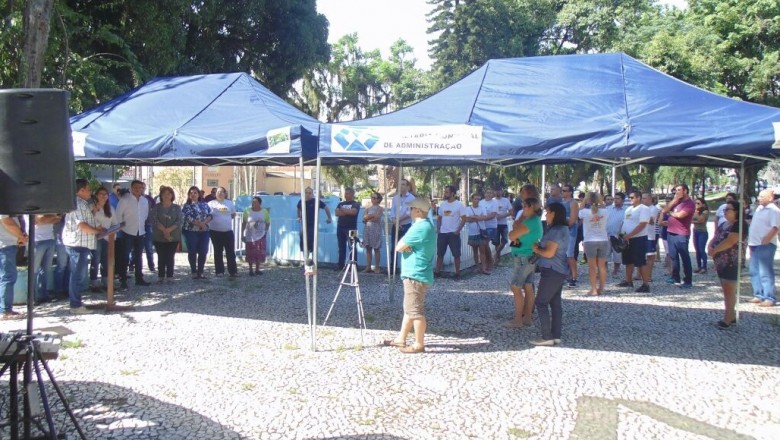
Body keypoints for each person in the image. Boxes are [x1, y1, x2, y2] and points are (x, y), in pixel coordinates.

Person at [382, 197, 436, 354]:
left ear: (418, 211)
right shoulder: (425, 226)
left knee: (415, 311)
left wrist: (406, 247)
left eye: (412, 208)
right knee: (409, 309)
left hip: (415, 273)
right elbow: (404, 246)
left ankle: (419, 344)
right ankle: (401, 338)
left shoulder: (419, 227)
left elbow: (399, 246)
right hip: (418, 272)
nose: (409, 211)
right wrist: (408, 247)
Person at [529, 202, 570, 346]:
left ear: (554, 213)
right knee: (555, 303)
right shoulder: (560, 228)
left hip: (552, 270)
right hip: (558, 270)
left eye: (548, 212)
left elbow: (549, 253)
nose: (546, 215)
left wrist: (537, 249)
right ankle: (556, 335)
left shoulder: (557, 230)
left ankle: (547, 336)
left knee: (541, 302)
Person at [63, 179, 104, 314]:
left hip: (80, 243)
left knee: (77, 275)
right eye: (88, 189)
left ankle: (76, 302)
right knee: (77, 275)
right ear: (81, 190)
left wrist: (97, 227)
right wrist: (97, 231)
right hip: (77, 244)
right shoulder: (78, 204)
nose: (91, 191)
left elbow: (87, 219)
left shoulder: (82, 203)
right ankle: (75, 306)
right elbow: (82, 225)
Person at [707, 200, 747, 328]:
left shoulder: (740, 225)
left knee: (729, 290)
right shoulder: (724, 223)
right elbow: (716, 236)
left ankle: (728, 318)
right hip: (721, 262)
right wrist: (710, 246)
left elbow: (730, 241)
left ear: (736, 211)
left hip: (731, 262)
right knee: (725, 289)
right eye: (725, 209)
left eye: (728, 209)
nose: (725, 211)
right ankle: (731, 314)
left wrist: (715, 250)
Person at [505, 197, 543, 328]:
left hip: (523, 257)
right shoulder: (534, 220)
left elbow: (512, 235)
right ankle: (527, 317)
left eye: (525, 206)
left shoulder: (530, 222)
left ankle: (518, 320)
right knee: (528, 286)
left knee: (516, 287)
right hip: (529, 256)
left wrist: (517, 224)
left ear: (532, 207)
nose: (523, 209)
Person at [115, 179, 151, 290]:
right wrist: (121, 227)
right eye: (135, 187)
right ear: (131, 188)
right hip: (127, 231)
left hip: (140, 231)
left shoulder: (145, 201)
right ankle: (123, 279)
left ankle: (139, 278)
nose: (138, 189)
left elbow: (145, 215)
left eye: (140, 188)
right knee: (125, 256)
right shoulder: (125, 199)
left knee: (139, 256)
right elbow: (118, 215)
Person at [747, 189, 780, 307]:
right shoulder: (760, 208)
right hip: (754, 243)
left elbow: (776, 227)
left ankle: (769, 297)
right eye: (759, 196)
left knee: (765, 271)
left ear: (770, 198)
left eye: (762, 196)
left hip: (765, 244)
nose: (759, 198)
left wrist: (767, 239)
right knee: (754, 270)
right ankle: (758, 294)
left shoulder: (773, 210)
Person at [660, 183, 695, 289]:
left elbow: (681, 215)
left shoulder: (690, 203)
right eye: (675, 190)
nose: (676, 192)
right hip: (671, 232)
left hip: (681, 234)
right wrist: (674, 200)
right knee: (673, 257)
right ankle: (675, 277)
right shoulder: (676, 202)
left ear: (685, 191)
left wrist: (671, 213)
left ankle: (688, 280)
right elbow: (664, 210)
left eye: (679, 190)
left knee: (685, 257)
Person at [618, 190, 651, 292]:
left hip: (639, 238)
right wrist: (621, 233)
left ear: (638, 198)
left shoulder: (643, 209)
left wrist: (630, 235)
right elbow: (625, 222)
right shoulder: (628, 209)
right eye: (629, 197)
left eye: (632, 197)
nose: (630, 199)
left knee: (640, 261)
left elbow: (642, 224)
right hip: (627, 238)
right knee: (628, 261)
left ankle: (645, 284)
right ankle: (628, 281)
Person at [579, 192, 610, 296]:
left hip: (589, 240)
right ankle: (601, 288)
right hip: (603, 240)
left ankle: (593, 289)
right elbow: (603, 206)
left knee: (592, 267)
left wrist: (584, 200)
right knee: (602, 266)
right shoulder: (605, 212)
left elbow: (579, 210)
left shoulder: (584, 212)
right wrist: (600, 200)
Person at [435, 185, 466, 280]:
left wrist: (458, 231)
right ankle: (437, 272)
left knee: (456, 255)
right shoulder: (443, 204)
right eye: (445, 192)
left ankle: (457, 273)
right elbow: (439, 217)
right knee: (440, 254)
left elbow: (464, 219)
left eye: (447, 192)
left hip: (453, 233)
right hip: (443, 233)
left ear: (453, 193)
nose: (445, 194)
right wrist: (439, 229)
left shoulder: (459, 205)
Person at [89, 187, 117, 292]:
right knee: (95, 260)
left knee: (106, 261)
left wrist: (112, 231)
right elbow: (89, 220)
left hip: (107, 238)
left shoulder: (110, 208)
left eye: (105, 194)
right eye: (101, 194)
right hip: (96, 237)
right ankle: (94, 283)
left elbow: (115, 222)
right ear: (96, 195)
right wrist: (99, 227)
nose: (103, 196)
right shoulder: (92, 207)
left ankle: (106, 282)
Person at [152, 186, 182, 283]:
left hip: (173, 236)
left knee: (170, 256)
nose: (166, 195)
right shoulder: (156, 207)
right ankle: (160, 276)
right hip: (159, 236)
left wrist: (169, 230)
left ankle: (170, 276)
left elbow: (179, 220)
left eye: (169, 193)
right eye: (164, 193)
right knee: (161, 256)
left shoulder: (177, 208)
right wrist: (164, 230)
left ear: (172, 195)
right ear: (161, 195)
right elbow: (154, 220)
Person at [182, 186, 213, 279]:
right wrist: (199, 224)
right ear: (189, 195)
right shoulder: (187, 206)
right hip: (191, 232)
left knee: (203, 251)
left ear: (198, 194)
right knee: (192, 251)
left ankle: (201, 271)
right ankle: (193, 272)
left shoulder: (204, 204)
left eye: (195, 192)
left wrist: (203, 223)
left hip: (204, 232)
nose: (193, 194)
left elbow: (210, 215)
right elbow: (188, 217)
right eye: (191, 193)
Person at [1, 215, 27, 320]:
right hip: (5, 245)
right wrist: (22, 236)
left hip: (7, 244)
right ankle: (5, 311)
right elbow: (7, 222)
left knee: (5, 277)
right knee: (7, 277)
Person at [207, 187, 238, 277]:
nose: (220, 193)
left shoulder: (229, 203)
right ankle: (219, 271)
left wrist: (224, 221)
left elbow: (233, 214)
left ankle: (233, 271)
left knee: (230, 252)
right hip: (215, 232)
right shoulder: (210, 204)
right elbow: (208, 216)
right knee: (218, 252)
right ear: (215, 193)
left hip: (227, 232)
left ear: (225, 193)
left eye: (222, 192)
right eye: (218, 192)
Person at [31, 214, 60, 304]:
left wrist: (47, 219)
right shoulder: (30, 205)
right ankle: (33, 298)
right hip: (36, 240)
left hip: (50, 239)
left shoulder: (49, 205)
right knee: (34, 271)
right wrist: (52, 217)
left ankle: (44, 295)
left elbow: (58, 218)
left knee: (46, 270)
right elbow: (39, 220)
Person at [297, 187, 332, 260]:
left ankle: (313, 261)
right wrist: (299, 217)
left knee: (312, 242)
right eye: (306, 193)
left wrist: (329, 218)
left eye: (310, 193)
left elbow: (326, 207)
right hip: (304, 225)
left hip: (313, 225)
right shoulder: (301, 201)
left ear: (312, 194)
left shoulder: (315, 201)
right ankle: (305, 261)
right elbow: (298, 208)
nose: (308, 194)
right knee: (303, 242)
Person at [388, 179, 416, 273]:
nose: (401, 186)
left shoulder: (411, 198)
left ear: (408, 187)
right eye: (400, 184)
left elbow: (409, 213)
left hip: (406, 225)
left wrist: (398, 221)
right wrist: (395, 223)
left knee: (406, 247)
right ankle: (393, 268)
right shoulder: (395, 198)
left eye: (403, 184)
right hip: (396, 226)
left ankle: (407, 269)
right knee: (394, 248)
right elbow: (392, 213)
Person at [242, 196, 270, 276]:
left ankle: (257, 269)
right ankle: (250, 269)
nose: (253, 203)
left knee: (259, 252)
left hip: (261, 235)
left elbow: (268, 222)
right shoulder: (247, 211)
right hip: (250, 235)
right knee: (250, 252)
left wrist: (265, 231)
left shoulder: (264, 211)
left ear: (259, 203)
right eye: (252, 202)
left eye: (255, 202)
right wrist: (242, 234)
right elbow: (244, 223)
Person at [335, 187, 361, 271]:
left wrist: (342, 210)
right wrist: (346, 211)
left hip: (352, 228)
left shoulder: (356, 204)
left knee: (352, 247)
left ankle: (354, 266)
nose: (346, 195)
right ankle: (340, 265)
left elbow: (353, 212)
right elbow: (336, 213)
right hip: (340, 227)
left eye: (348, 193)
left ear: (352, 194)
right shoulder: (340, 203)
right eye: (345, 193)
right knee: (341, 247)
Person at [560, 184, 580, 287]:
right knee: (562, 255)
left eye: (565, 190)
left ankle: (574, 277)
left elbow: (573, 220)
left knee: (570, 255)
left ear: (570, 192)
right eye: (562, 190)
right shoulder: (560, 202)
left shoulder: (573, 203)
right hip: (561, 232)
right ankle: (564, 275)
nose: (563, 192)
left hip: (570, 232)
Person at [465, 193, 490, 274]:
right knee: (475, 251)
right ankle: (477, 267)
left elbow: (484, 217)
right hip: (472, 233)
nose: (477, 201)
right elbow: (467, 219)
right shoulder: (468, 209)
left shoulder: (482, 208)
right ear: (472, 199)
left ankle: (484, 268)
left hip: (481, 231)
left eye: (478, 199)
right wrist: (478, 217)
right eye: (475, 199)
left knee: (482, 250)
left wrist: (474, 217)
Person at [361, 192, 384, 273]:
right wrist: (370, 216)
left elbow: (376, 218)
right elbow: (363, 219)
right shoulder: (367, 208)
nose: (373, 199)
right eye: (372, 197)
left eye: (375, 198)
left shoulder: (380, 208)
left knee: (376, 249)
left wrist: (368, 217)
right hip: (367, 229)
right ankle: (368, 266)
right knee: (368, 248)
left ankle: (377, 267)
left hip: (376, 229)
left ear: (378, 199)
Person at [605, 192, 626, 277]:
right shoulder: (608, 209)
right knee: (605, 254)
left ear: (623, 200)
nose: (616, 200)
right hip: (607, 234)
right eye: (615, 198)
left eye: (618, 198)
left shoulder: (626, 211)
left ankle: (616, 270)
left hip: (618, 235)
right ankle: (605, 270)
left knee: (617, 254)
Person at [479, 188, 498, 273]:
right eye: (487, 192)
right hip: (482, 226)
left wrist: (482, 218)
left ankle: (489, 262)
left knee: (485, 243)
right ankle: (489, 262)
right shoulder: (481, 202)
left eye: (490, 193)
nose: (488, 194)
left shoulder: (495, 203)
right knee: (484, 245)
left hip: (491, 226)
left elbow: (493, 215)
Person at [642, 192, 659, 279]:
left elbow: (651, 221)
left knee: (650, 256)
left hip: (649, 235)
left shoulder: (653, 209)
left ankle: (649, 276)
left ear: (650, 199)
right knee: (641, 256)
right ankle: (639, 275)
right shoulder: (641, 208)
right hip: (641, 235)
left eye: (644, 198)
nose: (642, 200)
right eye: (642, 198)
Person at [493, 186, 512, 265]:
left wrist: (503, 215)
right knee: (496, 242)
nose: (498, 192)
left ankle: (495, 254)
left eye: (499, 191)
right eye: (496, 191)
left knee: (504, 240)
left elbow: (511, 211)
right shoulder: (492, 201)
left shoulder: (506, 200)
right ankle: (498, 260)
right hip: (495, 224)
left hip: (504, 223)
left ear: (502, 191)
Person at [692, 197, 710, 274]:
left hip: (702, 232)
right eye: (695, 203)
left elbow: (700, 220)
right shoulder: (695, 211)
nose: (696, 205)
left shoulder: (705, 212)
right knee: (697, 250)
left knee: (701, 249)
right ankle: (699, 266)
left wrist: (696, 213)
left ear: (703, 204)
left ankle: (704, 267)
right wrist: (695, 220)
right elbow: (691, 220)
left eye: (698, 203)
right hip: (695, 231)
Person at [142, 183, 156, 273]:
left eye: (143, 188)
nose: (141, 189)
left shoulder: (149, 198)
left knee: (149, 246)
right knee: (135, 249)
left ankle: (151, 265)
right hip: (136, 225)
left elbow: (154, 209)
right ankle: (132, 265)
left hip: (148, 224)